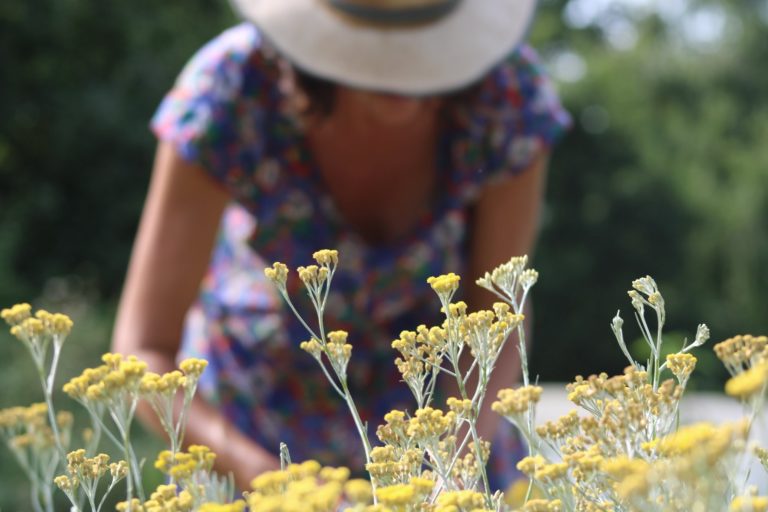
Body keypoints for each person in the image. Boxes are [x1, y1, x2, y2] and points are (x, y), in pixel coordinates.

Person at [112, 0, 571, 492]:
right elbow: (143, 353)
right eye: (382, 44)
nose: (409, 71)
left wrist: (452, 469)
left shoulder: (507, 96)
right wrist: (280, 488)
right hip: (252, 427)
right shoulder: (231, 90)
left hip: (445, 416)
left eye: (425, 43)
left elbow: (496, 317)